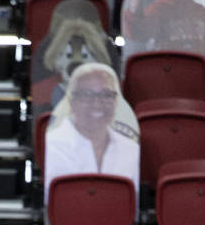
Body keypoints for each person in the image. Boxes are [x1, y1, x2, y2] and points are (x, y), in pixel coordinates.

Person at [43, 63, 139, 201]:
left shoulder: (131, 150)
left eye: (106, 95)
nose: (97, 104)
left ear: (116, 101)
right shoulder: (52, 145)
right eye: (86, 95)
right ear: (72, 101)